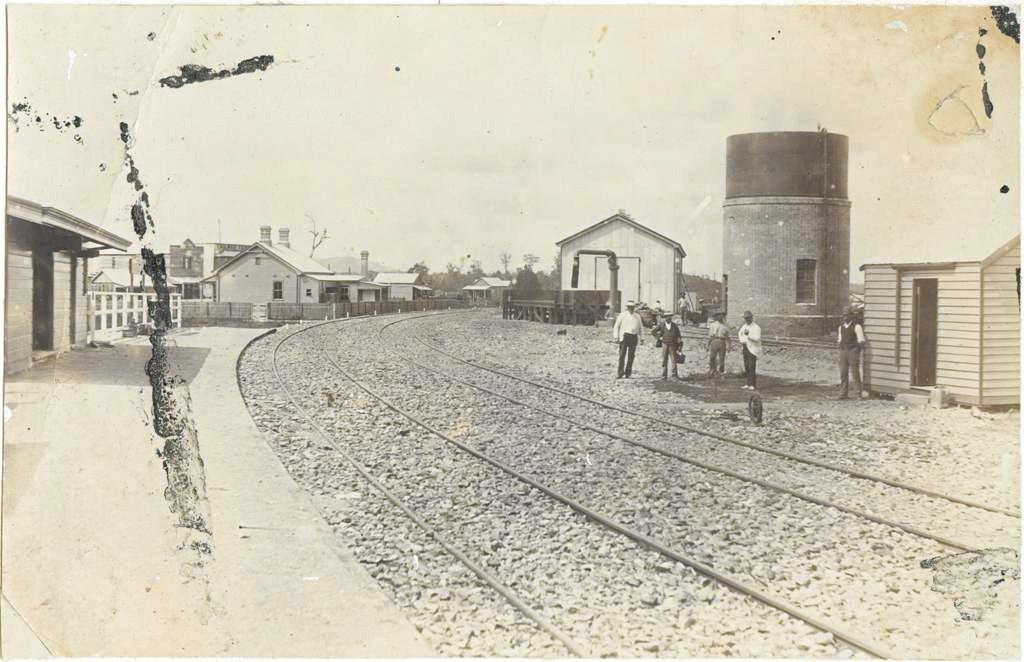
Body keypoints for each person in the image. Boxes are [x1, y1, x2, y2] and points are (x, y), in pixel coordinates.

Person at [838, 305, 866, 399]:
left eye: (847, 315)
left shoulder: (857, 326)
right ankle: (843, 394)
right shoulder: (841, 327)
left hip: (853, 351)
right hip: (843, 351)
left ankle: (858, 394)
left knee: (855, 373)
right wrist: (842, 349)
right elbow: (840, 340)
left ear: (851, 316)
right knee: (843, 373)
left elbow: (861, 340)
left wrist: (855, 350)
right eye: (843, 315)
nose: (845, 317)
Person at [613, 300, 643, 379]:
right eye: (629, 307)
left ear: (634, 308)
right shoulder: (622, 315)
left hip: (633, 337)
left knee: (631, 356)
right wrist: (616, 337)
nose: (631, 309)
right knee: (622, 355)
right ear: (627, 307)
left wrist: (642, 338)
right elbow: (616, 326)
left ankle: (628, 373)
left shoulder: (637, 316)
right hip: (624, 336)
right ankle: (620, 372)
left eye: (632, 307)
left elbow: (641, 328)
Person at [653, 313, 683, 379]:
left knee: (674, 360)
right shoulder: (662, 325)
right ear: (664, 318)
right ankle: (664, 375)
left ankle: (674, 375)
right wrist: (659, 338)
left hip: (673, 345)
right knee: (664, 360)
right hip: (665, 345)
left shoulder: (675, 326)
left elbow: (679, 336)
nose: (668, 318)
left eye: (669, 317)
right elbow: (653, 332)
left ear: (671, 318)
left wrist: (680, 345)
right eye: (666, 317)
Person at [737, 310, 762, 389]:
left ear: (751, 318)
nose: (747, 320)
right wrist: (742, 341)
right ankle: (748, 383)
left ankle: (752, 384)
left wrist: (748, 335)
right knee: (746, 365)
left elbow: (757, 338)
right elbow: (740, 333)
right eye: (745, 318)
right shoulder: (744, 326)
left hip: (753, 348)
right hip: (745, 347)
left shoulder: (756, 327)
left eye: (748, 318)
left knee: (751, 366)